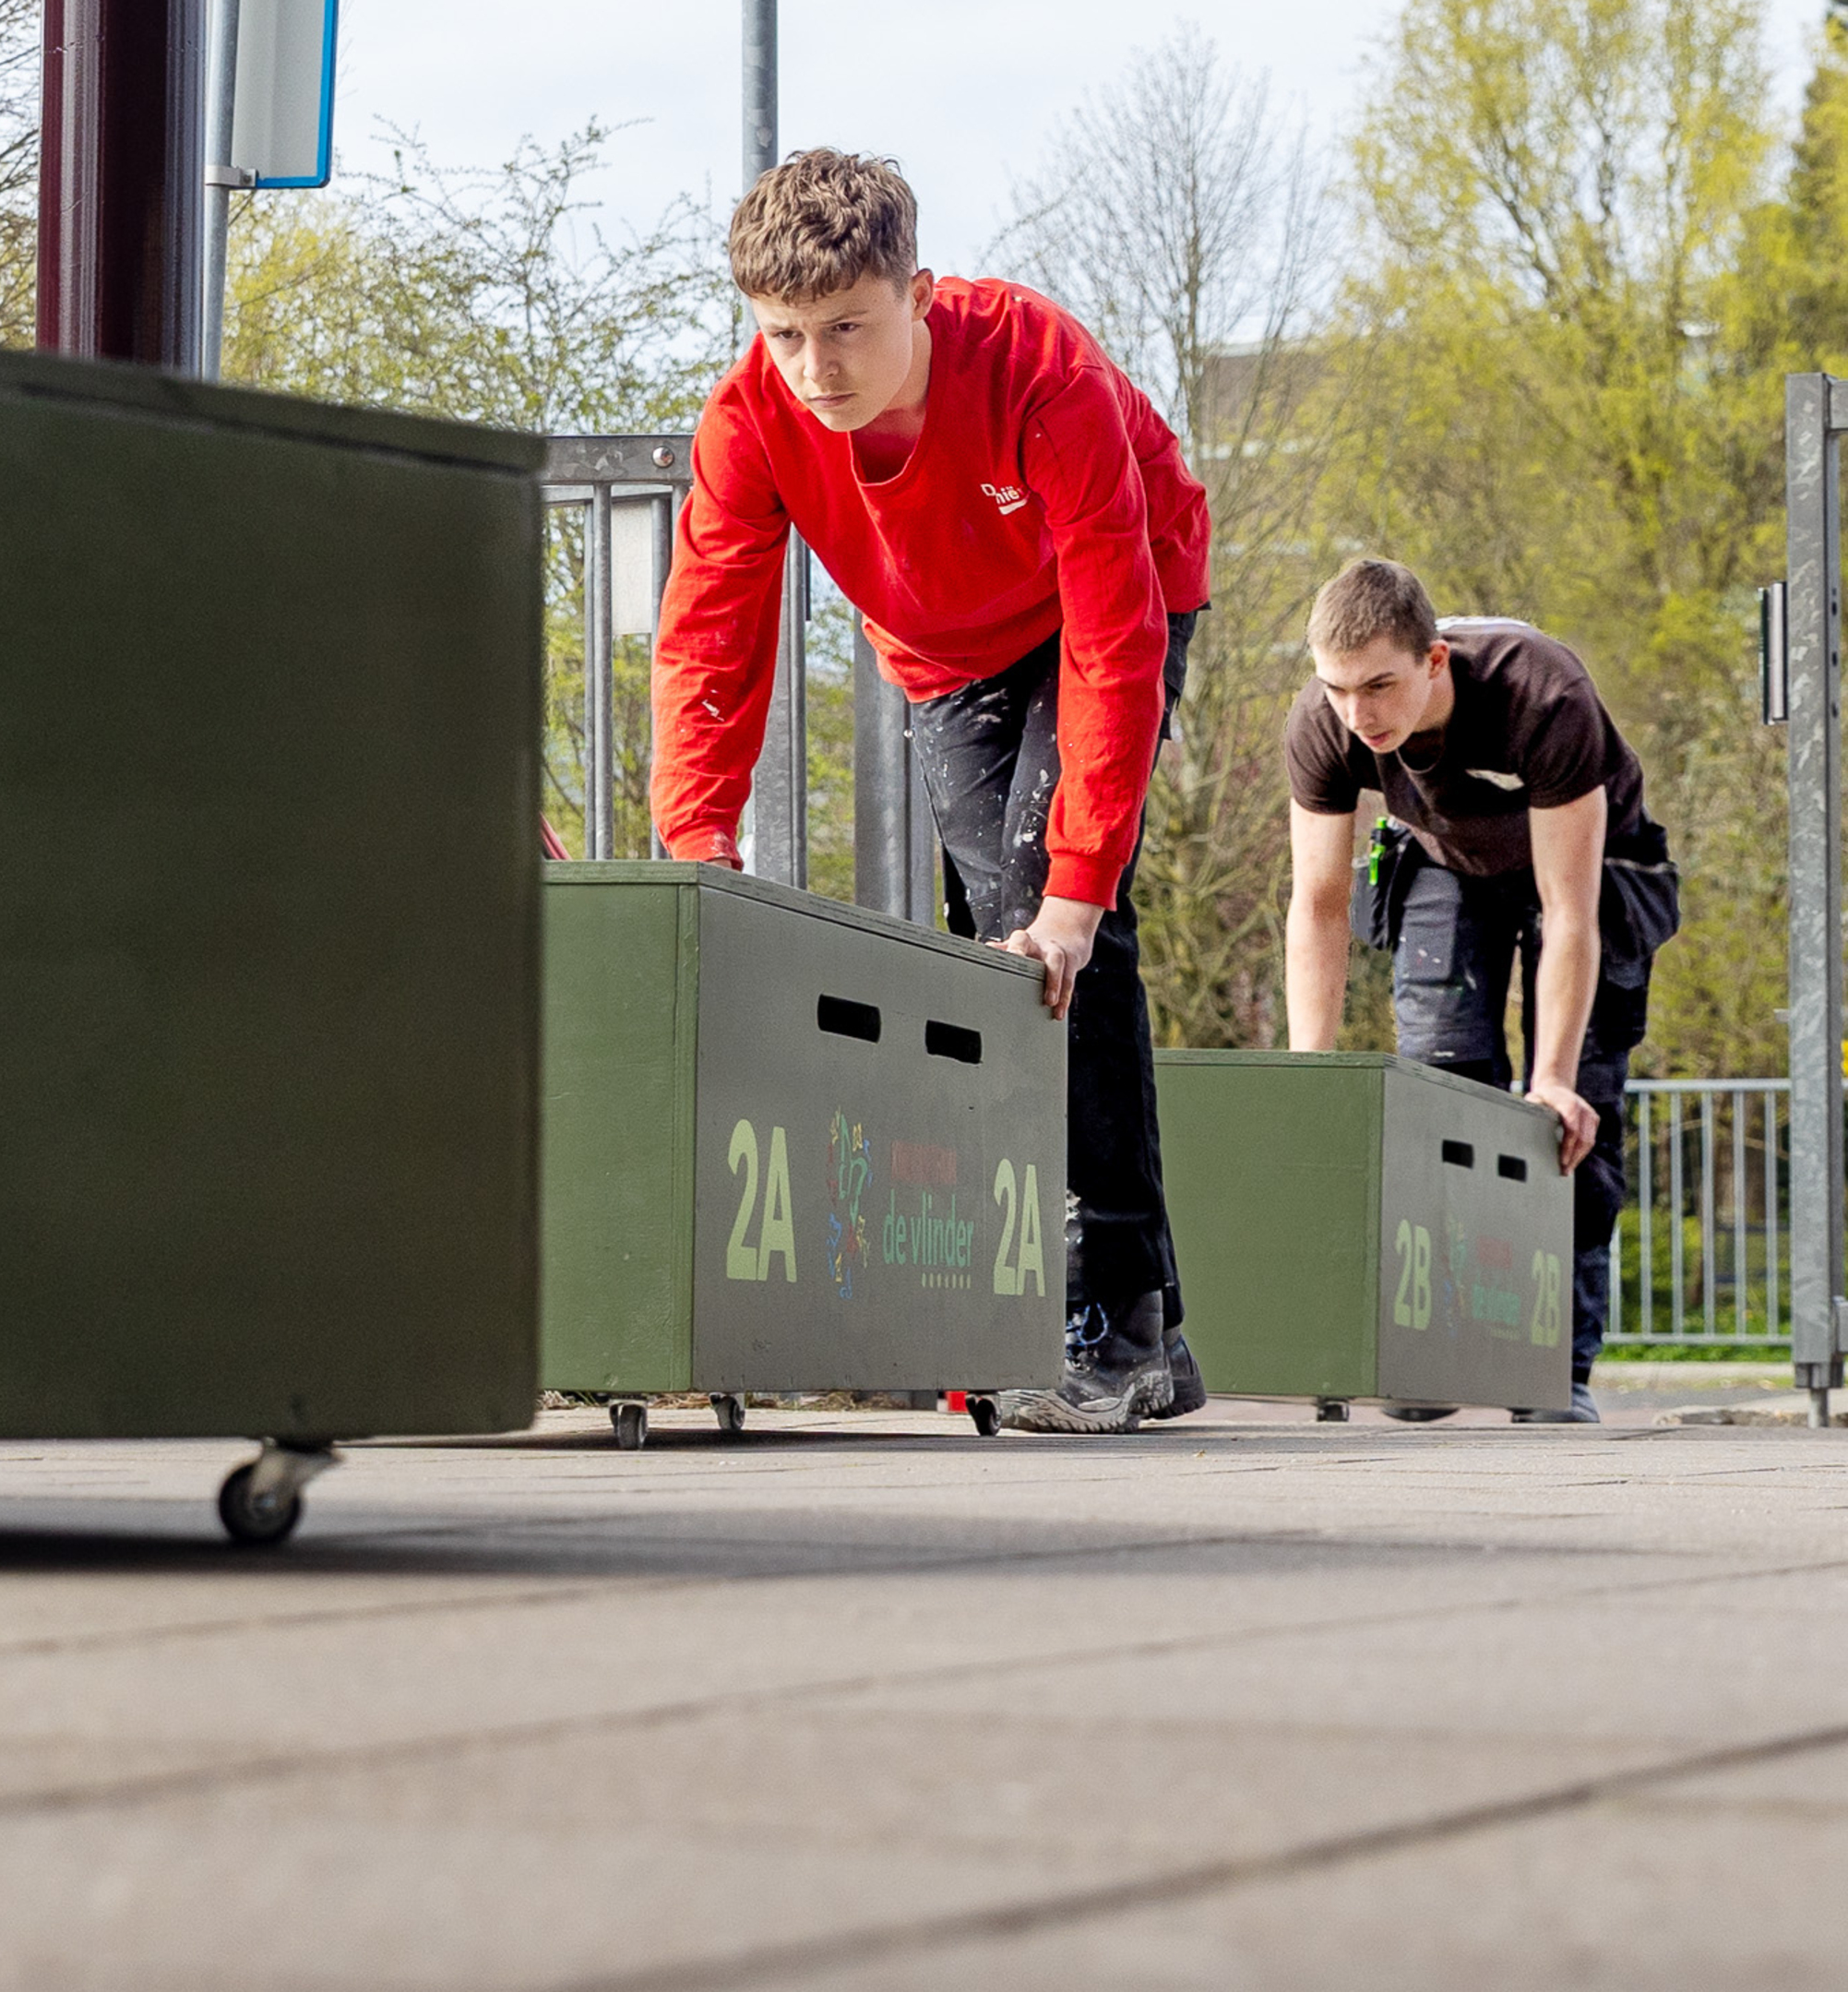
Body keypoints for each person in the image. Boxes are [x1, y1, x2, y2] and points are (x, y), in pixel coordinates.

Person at [650, 149, 1213, 1433]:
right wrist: (698, 835)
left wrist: (1079, 886)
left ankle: (1110, 1324)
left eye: (848, 327)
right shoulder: (750, 419)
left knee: (1050, 931)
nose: (817, 366)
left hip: (1119, 594)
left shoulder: (1036, 368)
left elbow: (1115, 638)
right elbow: (710, 638)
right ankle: (1156, 1328)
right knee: (989, 961)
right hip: (948, 653)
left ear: (916, 291)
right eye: (786, 334)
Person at [1282, 558, 1679, 1424]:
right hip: (1446, 865)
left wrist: (1556, 1076)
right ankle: (1436, 1350)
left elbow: (1569, 913)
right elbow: (1316, 904)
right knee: (1441, 1091)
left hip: (1590, 874)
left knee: (1566, 1118)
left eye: (1380, 685)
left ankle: (1555, 1369)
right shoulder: (1326, 721)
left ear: (1436, 661)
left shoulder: (1543, 694)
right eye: (1340, 689)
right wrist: (1305, 1074)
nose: (1361, 714)